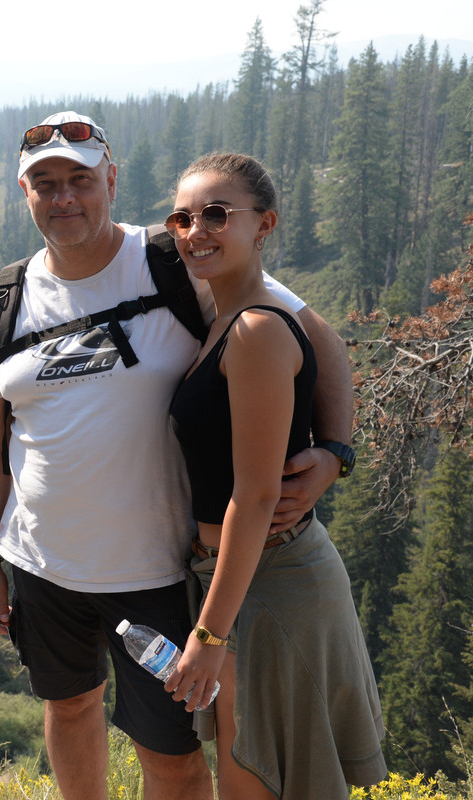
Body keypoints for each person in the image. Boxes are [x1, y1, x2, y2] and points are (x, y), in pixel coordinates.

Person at [0, 111, 355, 800]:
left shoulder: (175, 261)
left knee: (169, 751)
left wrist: (336, 451)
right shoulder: (8, 296)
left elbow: (320, 341)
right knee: (69, 707)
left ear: (111, 179)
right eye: (44, 183)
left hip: (160, 572)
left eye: (80, 179)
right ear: (25, 194)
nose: (64, 198)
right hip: (43, 566)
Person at [163, 152, 386, 798]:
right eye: (183, 217)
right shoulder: (227, 315)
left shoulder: (256, 329)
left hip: (269, 586)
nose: (195, 230)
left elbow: (256, 495)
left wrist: (209, 633)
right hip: (242, 582)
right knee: (249, 777)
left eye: (216, 214)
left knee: (254, 781)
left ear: (264, 225)